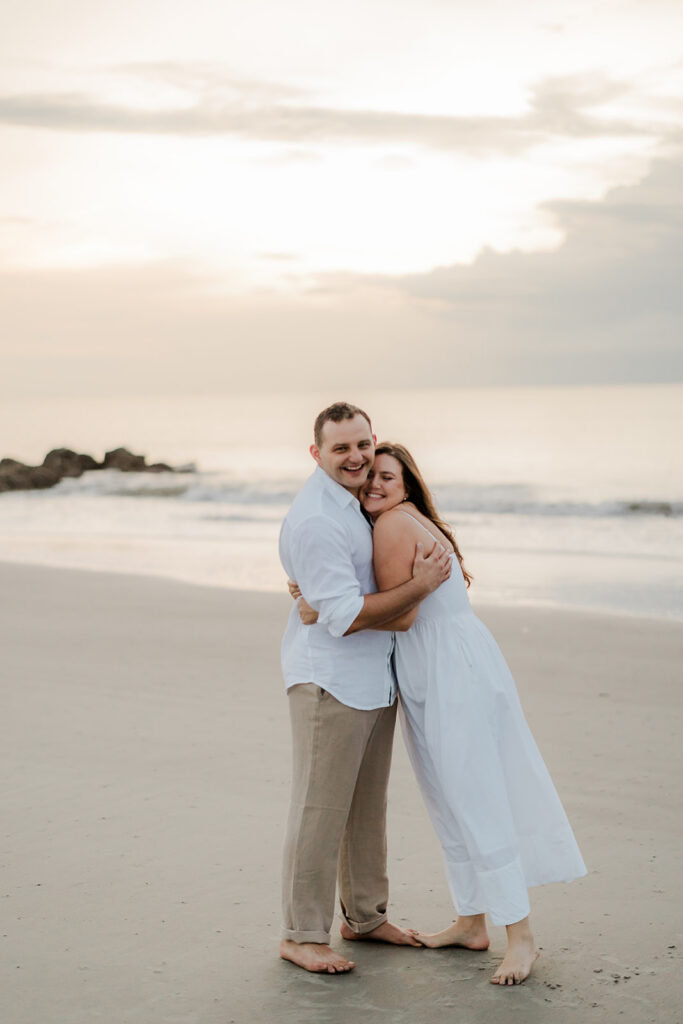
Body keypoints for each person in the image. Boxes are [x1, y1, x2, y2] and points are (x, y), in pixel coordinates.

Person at [293, 441, 587, 985]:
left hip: (448, 671)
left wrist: (323, 607)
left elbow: (403, 617)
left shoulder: (391, 525)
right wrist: (324, 592)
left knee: (473, 796)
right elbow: (379, 591)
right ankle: (471, 922)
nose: (375, 484)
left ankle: (520, 935)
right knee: (450, 795)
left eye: (387, 476)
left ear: (407, 483)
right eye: (371, 476)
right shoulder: (403, 518)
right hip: (449, 664)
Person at [278, 405, 452, 975]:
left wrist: (316, 599)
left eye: (362, 445)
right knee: (319, 809)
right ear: (316, 454)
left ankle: (366, 918)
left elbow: (340, 592)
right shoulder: (318, 518)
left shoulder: (357, 502)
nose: (355, 458)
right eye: (340, 448)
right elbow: (345, 615)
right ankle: (302, 935)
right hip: (329, 682)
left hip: (374, 676)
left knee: (365, 808)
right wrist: (422, 585)